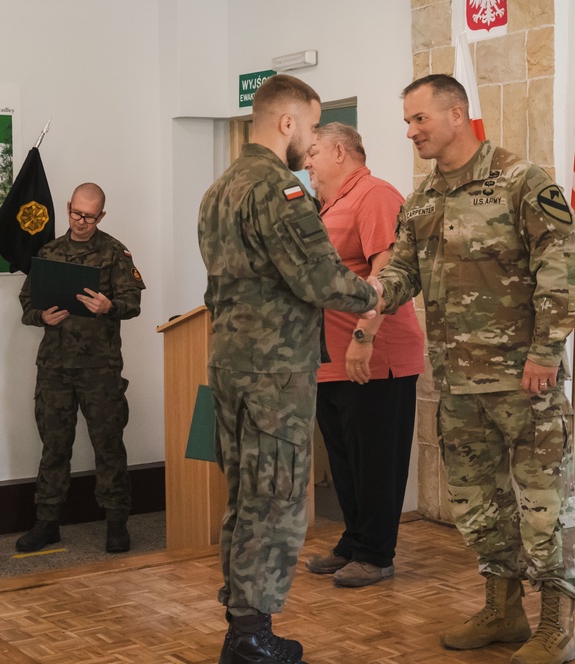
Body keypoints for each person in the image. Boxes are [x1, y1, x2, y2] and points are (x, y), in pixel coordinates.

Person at [373, 74, 575, 664]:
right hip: (458, 386)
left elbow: (561, 269)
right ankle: (503, 608)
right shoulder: (421, 200)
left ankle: (558, 625)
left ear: (457, 112)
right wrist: (369, 293)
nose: (411, 130)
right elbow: (402, 273)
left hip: (525, 381)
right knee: (479, 506)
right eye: (408, 121)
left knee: (544, 506)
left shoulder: (522, 181)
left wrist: (546, 351)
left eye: (420, 119)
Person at [198, 74, 379, 664]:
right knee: (274, 499)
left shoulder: (220, 189)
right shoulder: (280, 190)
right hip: (273, 374)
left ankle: (241, 621)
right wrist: (375, 292)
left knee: (244, 493)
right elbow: (320, 279)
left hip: (230, 365)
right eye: (311, 124)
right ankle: (251, 637)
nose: (311, 139)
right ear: (287, 122)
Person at [301, 123, 424, 588]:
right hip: (329, 362)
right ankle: (354, 541)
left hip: (374, 356)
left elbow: (386, 271)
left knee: (375, 459)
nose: (307, 162)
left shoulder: (374, 195)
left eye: (313, 153)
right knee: (346, 458)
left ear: (339, 151)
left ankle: (376, 553)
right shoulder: (327, 205)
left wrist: (362, 334)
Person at [17, 182, 145, 555]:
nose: (81, 221)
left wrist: (110, 307)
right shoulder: (50, 251)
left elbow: (132, 301)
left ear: (101, 216)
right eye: (76, 213)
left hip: (99, 369)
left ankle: (117, 522)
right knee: (54, 445)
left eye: (89, 216)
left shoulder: (114, 253)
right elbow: (27, 302)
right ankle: (47, 522)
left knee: (108, 445)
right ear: (68, 206)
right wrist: (41, 315)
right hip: (55, 368)